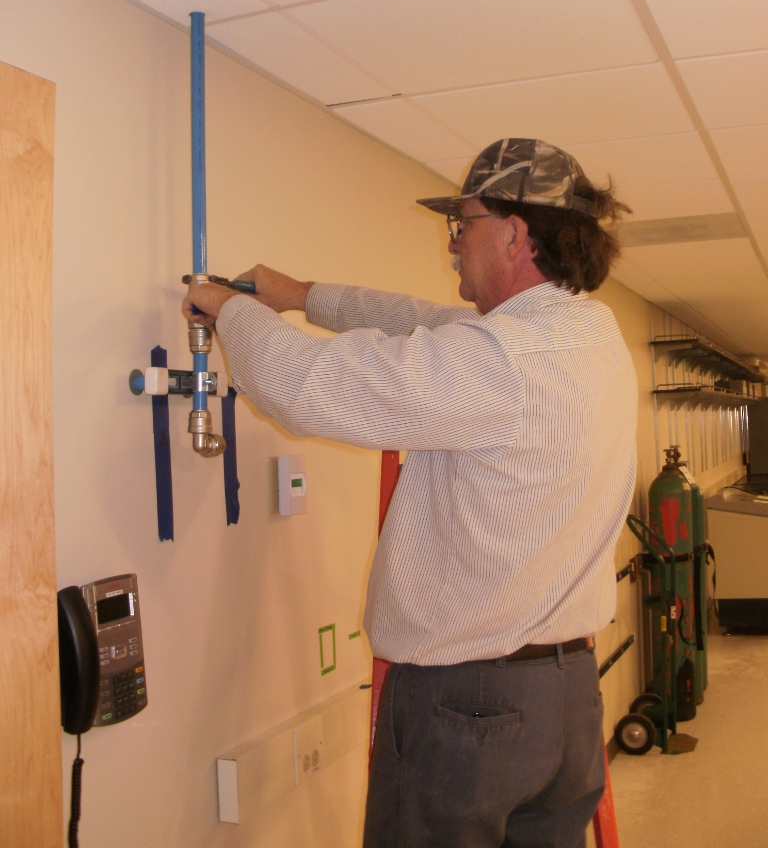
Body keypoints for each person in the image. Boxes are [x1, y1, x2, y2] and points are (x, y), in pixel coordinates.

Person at [183, 137, 637, 848]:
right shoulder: (587, 335)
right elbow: (419, 321)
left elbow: (313, 387)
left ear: (515, 233)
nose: (454, 246)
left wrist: (228, 311)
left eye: (463, 225)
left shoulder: (500, 360)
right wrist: (301, 296)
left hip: (470, 713)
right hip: (564, 702)